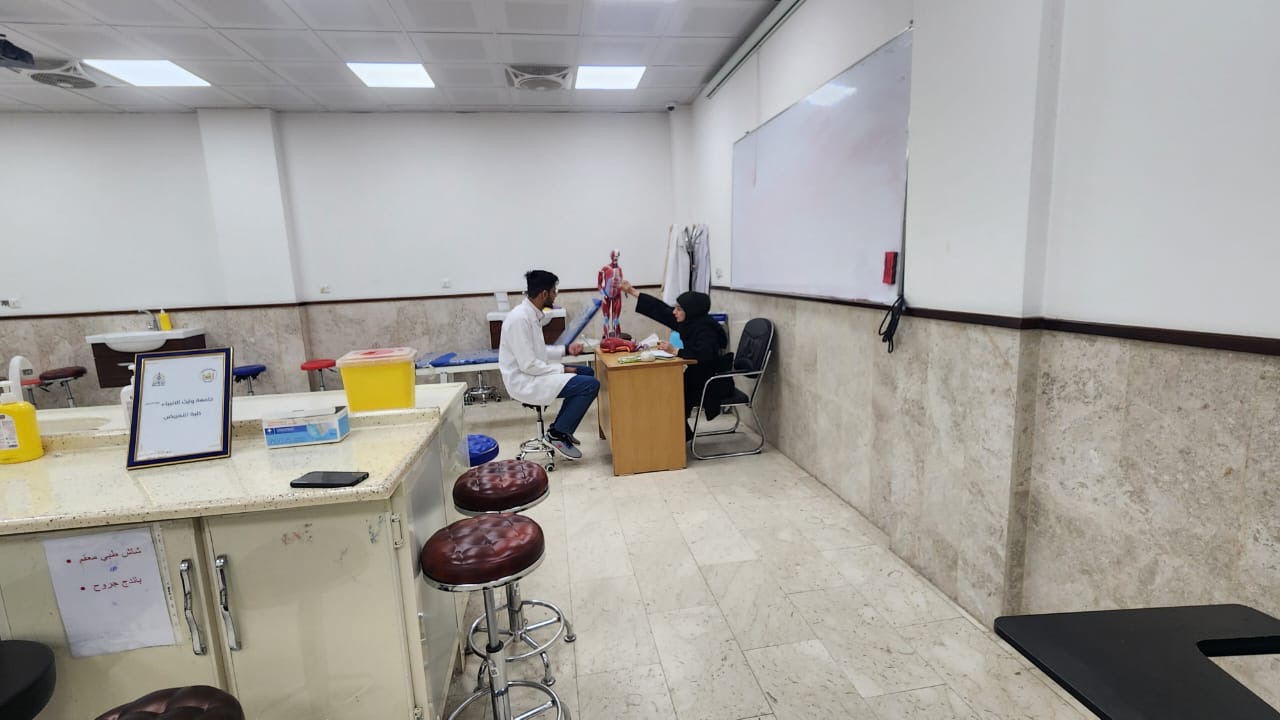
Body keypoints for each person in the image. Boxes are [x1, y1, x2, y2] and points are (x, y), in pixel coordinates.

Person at [499, 270, 599, 459]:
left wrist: (566, 350)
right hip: (524, 380)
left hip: (533, 373)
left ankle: (561, 429)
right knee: (590, 385)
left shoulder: (531, 314)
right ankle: (557, 435)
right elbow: (528, 365)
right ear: (544, 294)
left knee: (587, 372)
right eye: (554, 291)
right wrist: (563, 369)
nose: (555, 296)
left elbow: (539, 352)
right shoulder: (520, 319)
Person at [619, 280, 731, 440]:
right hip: (696, 376)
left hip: (710, 382)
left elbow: (704, 356)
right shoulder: (690, 321)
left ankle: (678, 438)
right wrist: (631, 291)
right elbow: (661, 310)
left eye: (678, 309)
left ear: (690, 310)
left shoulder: (706, 329)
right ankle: (679, 435)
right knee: (665, 391)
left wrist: (675, 351)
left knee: (669, 395)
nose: (674, 312)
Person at [597, 249, 624, 338]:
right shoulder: (604, 268)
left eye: (617, 256)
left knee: (616, 320)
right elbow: (599, 284)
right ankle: (607, 339)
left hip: (617, 296)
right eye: (615, 256)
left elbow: (621, 283)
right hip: (606, 296)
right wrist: (602, 294)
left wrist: (625, 290)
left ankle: (617, 340)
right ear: (611, 256)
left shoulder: (620, 269)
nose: (616, 258)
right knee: (606, 319)